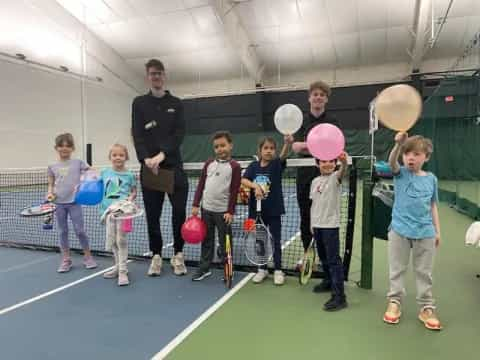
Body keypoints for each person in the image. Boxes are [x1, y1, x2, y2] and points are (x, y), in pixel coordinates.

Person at [131, 59, 188, 276]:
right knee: (152, 216)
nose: (156, 77)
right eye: (152, 73)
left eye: (159, 73)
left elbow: (179, 134)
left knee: (179, 212)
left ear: (164, 76)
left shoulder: (177, 103)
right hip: (150, 169)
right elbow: (137, 134)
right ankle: (156, 255)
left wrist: (162, 155)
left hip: (173, 168)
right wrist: (146, 159)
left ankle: (178, 254)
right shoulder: (138, 103)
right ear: (148, 76)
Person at [383, 132, 442, 330]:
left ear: (426, 157)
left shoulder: (431, 179)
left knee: (424, 272)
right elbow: (392, 162)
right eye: (407, 153)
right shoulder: (400, 174)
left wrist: (437, 231)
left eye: (416, 154)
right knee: (397, 269)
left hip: (425, 232)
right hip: (399, 230)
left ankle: (426, 307)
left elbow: (433, 205)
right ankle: (394, 302)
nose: (410, 157)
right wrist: (398, 145)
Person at [292, 81, 340, 262]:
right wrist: (321, 146)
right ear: (309, 98)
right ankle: (308, 255)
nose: (318, 97)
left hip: (326, 175)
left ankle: (325, 256)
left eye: (322, 94)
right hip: (304, 175)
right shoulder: (301, 121)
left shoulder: (333, 121)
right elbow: (296, 147)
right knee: (306, 216)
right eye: (315, 94)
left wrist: (309, 147)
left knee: (325, 217)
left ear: (326, 99)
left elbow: (335, 146)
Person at [242, 135, 293, 285]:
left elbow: (283, 155)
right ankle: (262, 269)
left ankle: (278, 270)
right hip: (256, 211)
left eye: (272, 148)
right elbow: (244, 180)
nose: (269, 151)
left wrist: (287, 144)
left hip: (274, 210)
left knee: (275, 240)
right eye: (266, 148)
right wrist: (255, 186)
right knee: (260, 240)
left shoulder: (276, 165)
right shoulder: (253, 166)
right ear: (260, 150)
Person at [190, 131, 241, 281]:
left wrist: (230, 212)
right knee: (207, 240)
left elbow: (234, 190)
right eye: (217, 147)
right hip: (206, 210)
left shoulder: (235, 167)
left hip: (223, 212)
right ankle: (204, 268)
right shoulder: (208, 164)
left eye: (223, 145)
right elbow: (201, 185)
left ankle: (228, 268)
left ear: (230, 146)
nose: (220, 149)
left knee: (225, 241)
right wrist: (195, 204)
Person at [47, 133, 97, 273]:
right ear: (56, 148)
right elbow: (51, 184)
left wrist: (83, 181)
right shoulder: (52, 166)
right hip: (59, 203)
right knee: (63, 231)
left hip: (75, 202)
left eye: (68, 146)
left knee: (80, 230)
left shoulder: (78, 162)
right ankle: (66, 260)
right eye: (61, 146)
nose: (64, 148)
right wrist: (49, 192)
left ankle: (88, 257)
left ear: (72, 148)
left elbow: (91, 172)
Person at [310, 152, 348, 311]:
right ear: (317, 163)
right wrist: (311, 224)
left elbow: (342, 172)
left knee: (333, 260)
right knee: (323, 258)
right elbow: (314, 204)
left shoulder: (335, 178)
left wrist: (344, 163)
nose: (327, 164)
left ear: (335, 163)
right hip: (317, 225)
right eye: (323, 161)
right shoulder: (315, 181)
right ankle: (327, 282)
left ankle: (339, 296)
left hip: (330, 226)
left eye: (330, 161)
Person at [99, 144, 137, 286]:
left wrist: (130, 199)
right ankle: (117, 267)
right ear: (110, 157)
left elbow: (134, 191)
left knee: (121, 240)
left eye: (121, 155)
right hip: (107, 212)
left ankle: (123, 271)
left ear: (126, 157)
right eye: (114, 155)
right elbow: (95, 187)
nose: (118, 158)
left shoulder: (129, 175)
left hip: (122, 212)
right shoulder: (104, 172)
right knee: (113, 241)